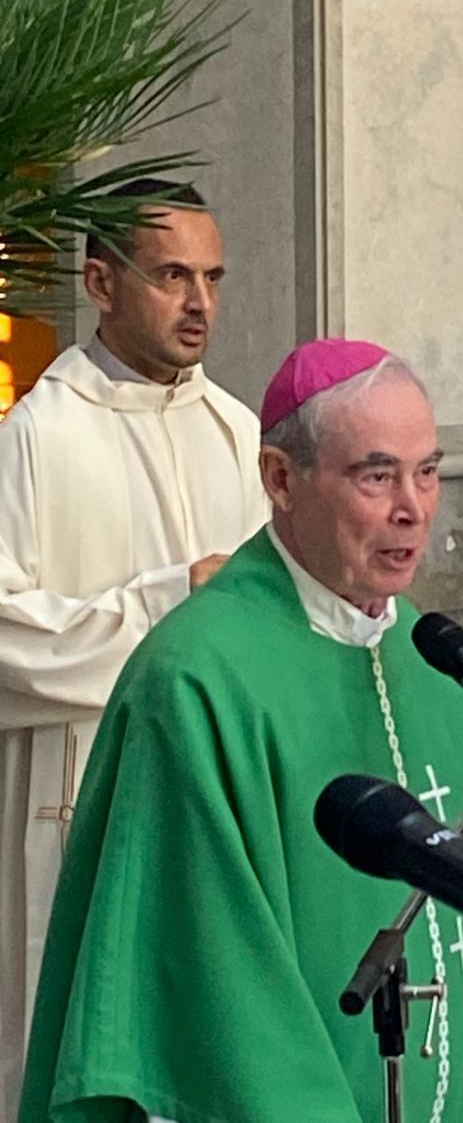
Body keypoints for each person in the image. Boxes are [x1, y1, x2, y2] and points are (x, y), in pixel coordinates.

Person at [19, 339, 463, 1123]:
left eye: (428, 471)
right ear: (279, 480)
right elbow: (217, 993)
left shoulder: (422, 656)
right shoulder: (195, 680)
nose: (415, 507)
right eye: (377, 475)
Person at [0, 180, 268, 1120]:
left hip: (215, 799)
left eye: (213, 277)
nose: (200, 303)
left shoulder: (239, 434)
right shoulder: (35, 436)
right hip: (77, 796)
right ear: (102, 283)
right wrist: (165, 605)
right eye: (170, 277)